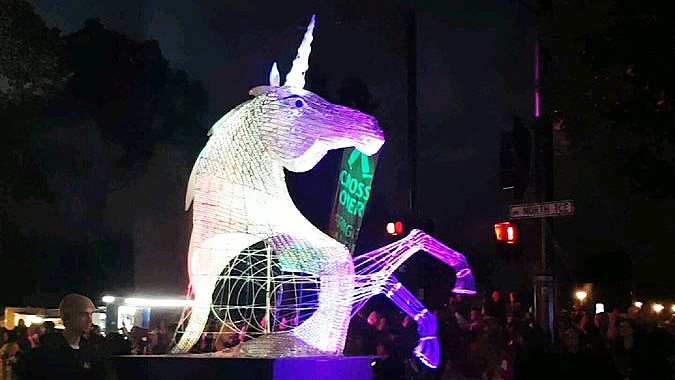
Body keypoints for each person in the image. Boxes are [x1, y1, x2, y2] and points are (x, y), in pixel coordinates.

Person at [14, 293, 110, 380]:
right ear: (67, 317)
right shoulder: (45, 354)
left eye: (90, 314)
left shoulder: (92, 351)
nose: (89, 320)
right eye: (83, 314)